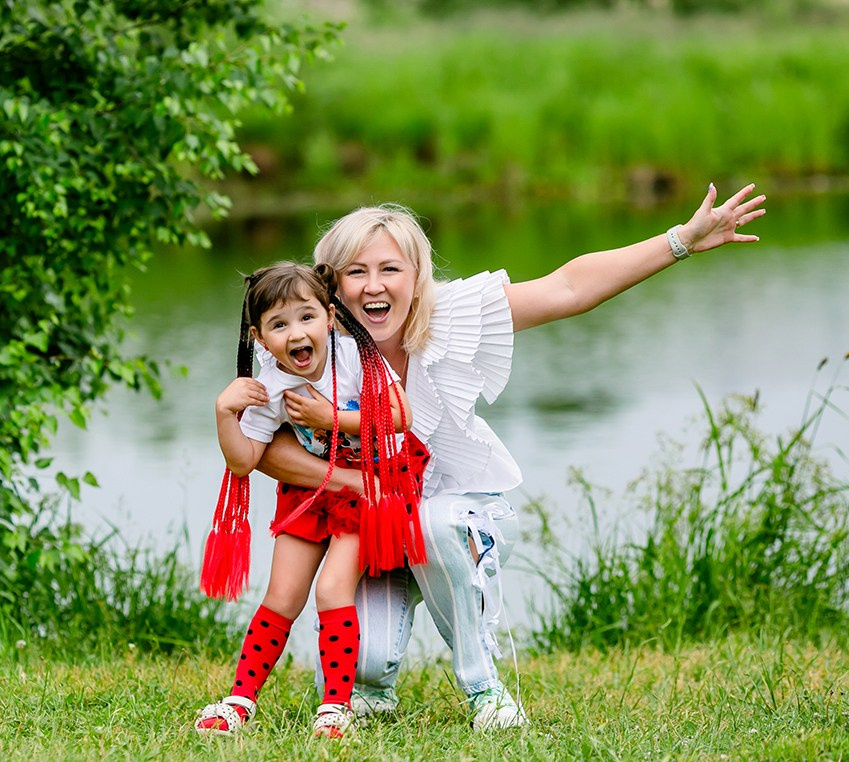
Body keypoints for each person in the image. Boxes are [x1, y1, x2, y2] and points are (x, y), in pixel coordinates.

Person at [256, 183, 768, 731]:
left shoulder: (451, 316)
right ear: (330, 287)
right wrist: (353, 484)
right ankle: (369, 690)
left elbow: (568, 287)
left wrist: (680, 241)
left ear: (416, 275)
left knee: (436, 522)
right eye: (356, 272)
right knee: (364, 664)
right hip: (372, 521)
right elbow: (262, 448)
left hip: (454, 512)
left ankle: (485, 690)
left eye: (390, 269)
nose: (374, 286)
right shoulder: (305, 344)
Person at [195, 261, 430, 738]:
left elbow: (401, 415)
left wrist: (329, 418)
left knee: (331, 590)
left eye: (307, 317)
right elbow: (244, 461)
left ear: (329, 316)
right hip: (313, 490)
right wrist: (223, 412)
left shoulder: (355, 357)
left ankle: (335, 708)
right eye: (279, 325)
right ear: (261, 338)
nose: (297, 333)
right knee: (281, 595)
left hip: (375, 484)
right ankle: (240, 699)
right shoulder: (269, 385)